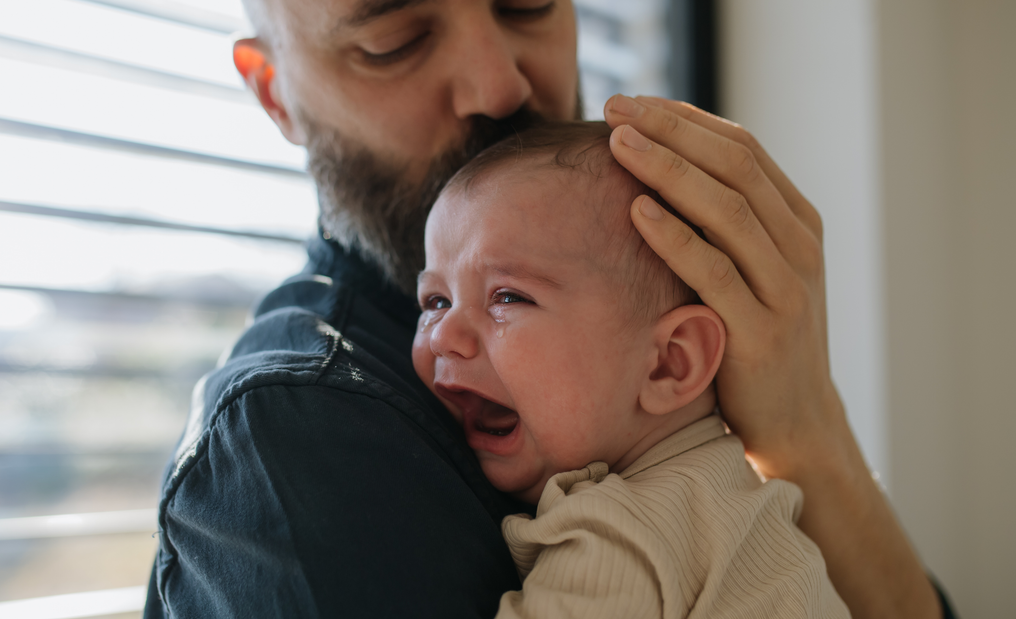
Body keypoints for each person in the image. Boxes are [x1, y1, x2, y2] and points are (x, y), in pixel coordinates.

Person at [145, 1, 953, 617]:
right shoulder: (303, 430)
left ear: (675, 359)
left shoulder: (678, 415)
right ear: (275, 93)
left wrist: (806, 429)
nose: (500, 84)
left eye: (529, 1)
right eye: (395, 39)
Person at [412, 120, 850, 618]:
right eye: (435, 300)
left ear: (669, 363)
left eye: (508, 297)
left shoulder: (616, 533)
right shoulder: (737, 501)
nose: (445, 334)